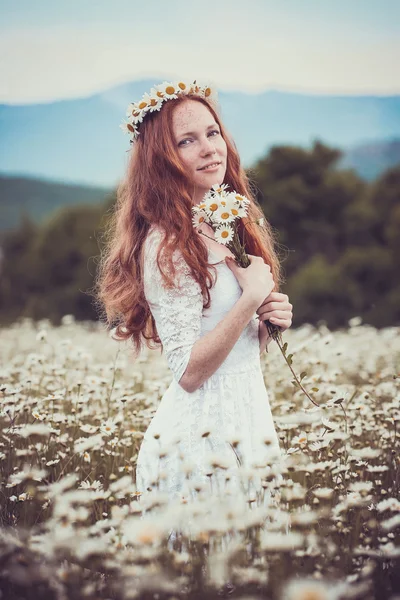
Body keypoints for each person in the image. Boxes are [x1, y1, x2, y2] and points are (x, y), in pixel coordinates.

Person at [96, 80, 293, 508]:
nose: (209, 149)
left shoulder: (223, 226)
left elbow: (235, 350)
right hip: (200, 449)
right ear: (161, 160)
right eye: (187, 141)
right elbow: (188, 372)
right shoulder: (165, 246)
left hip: (248, 421)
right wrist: (248, 299)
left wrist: (264, 322)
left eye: (212, 133)